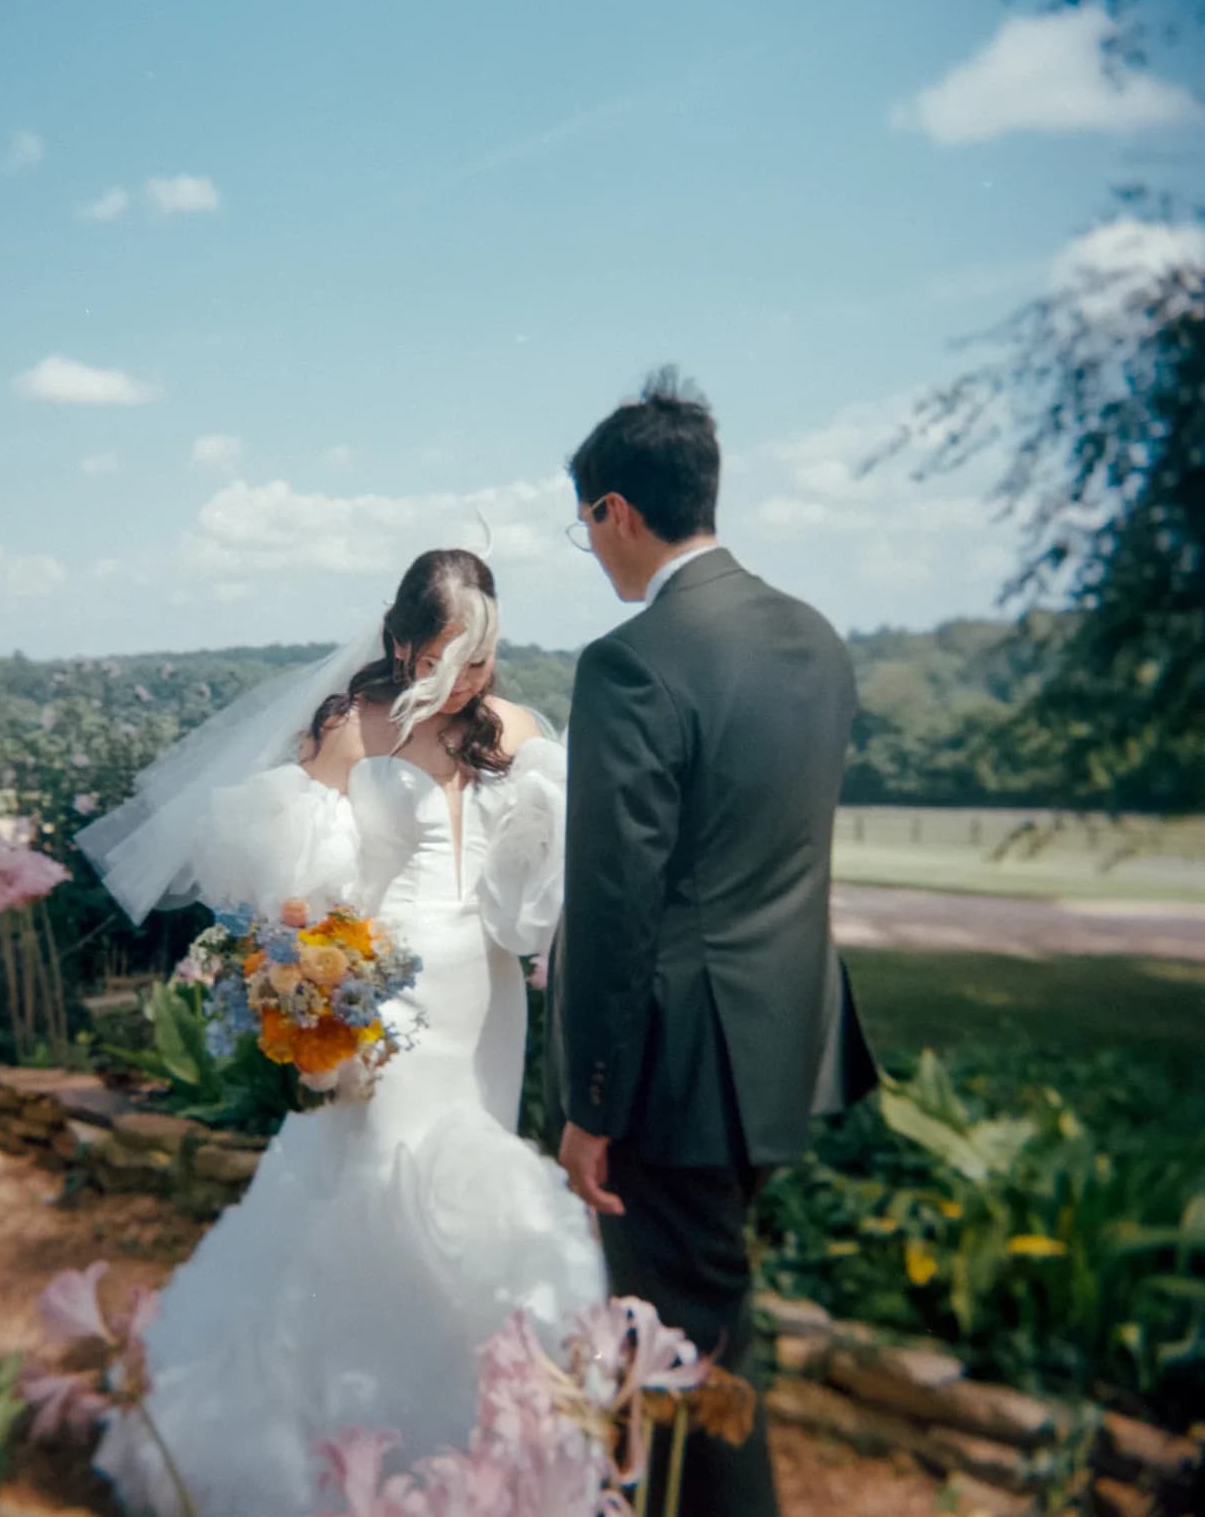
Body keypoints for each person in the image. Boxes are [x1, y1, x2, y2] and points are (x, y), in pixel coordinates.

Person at [79, 548, 605, 1517]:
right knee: (382, 1190)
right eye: (447, 656)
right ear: (400, 639)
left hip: (489, 997)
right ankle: (354, 1443)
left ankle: (479, 1452)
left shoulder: (517, 730)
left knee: (479, 1190)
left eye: (482, 660)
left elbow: (555, 871)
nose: (466, 681)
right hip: (385, 999)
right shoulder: (350, 732)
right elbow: (290, 897)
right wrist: (318, 994)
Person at [550, 368, 879, 1517]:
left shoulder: (630, 662)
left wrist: (590, 1104)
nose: (589, 551)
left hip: (672, 1071)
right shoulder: (815, 640)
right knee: (705, 1332)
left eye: (584, 524)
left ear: (616, 512)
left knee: (685, 1358)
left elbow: (612, 902)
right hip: (780, 1049)